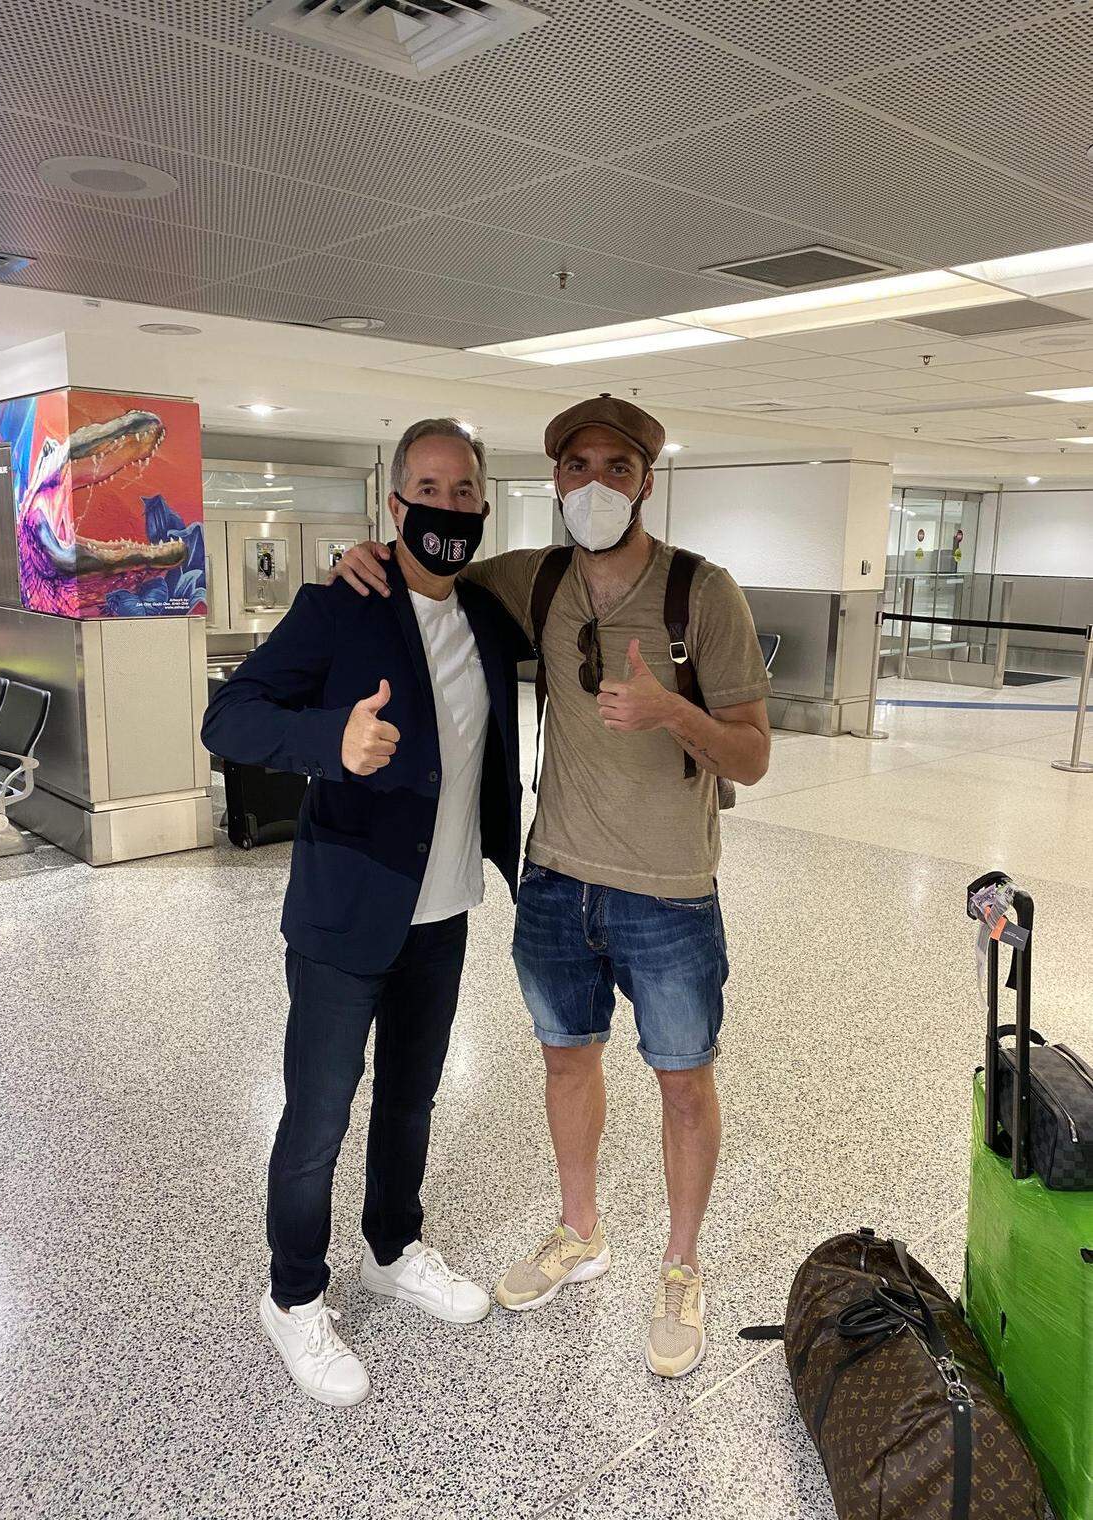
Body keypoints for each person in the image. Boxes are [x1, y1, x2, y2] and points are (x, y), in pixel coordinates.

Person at [332, 395, 772, 1379]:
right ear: (556, 480)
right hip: (555, 883)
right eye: (577, 465)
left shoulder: (706, 592)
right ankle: (581, 1230)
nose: (596, 484)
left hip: (668, 893)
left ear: (646, 481)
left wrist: (669, 710)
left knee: (683, 1084)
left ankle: (681, 1264)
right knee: (567, 1065)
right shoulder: (534, 579)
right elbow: (426, 569)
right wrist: (356, 557)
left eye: (618, 467)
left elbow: (751, 754)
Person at [202, 418, 530, 1406]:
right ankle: (293, 1293)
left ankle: (392, 1244)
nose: (447, 503)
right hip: (347, 914)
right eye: (427, 485)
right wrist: (326, 742)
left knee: (411, 1097)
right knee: (317, 1114)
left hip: (444, 914)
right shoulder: (340, 604)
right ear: (395, 503)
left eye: (464, 488)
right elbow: (228, 716)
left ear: (479, 503)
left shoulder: (488, 612)